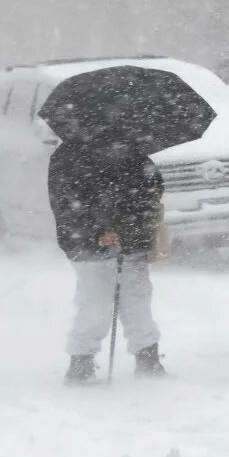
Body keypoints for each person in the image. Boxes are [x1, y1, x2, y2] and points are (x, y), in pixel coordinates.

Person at [50, 142, 166, 383]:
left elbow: (154, 187)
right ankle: (81, 363)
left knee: (136, 300)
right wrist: (97, 231)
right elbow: (66, 205)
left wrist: (132, 220)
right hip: (90, 247)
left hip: (131, 242)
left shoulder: (133, 150)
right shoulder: (69, 157)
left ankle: (148, 358)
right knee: (96, 303)